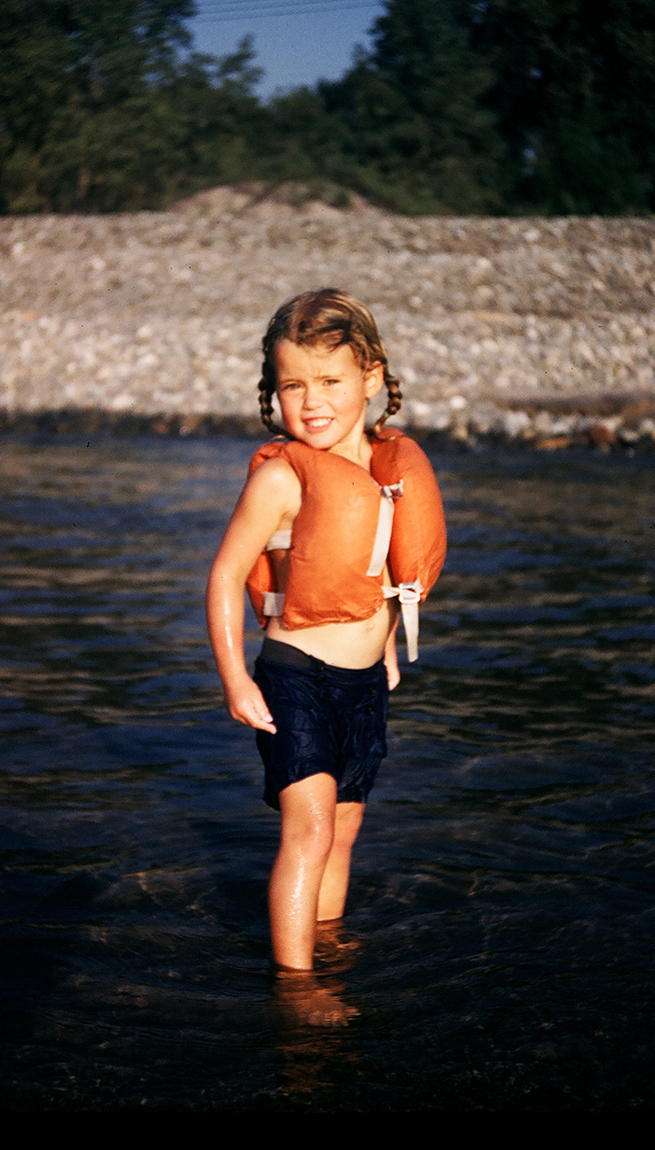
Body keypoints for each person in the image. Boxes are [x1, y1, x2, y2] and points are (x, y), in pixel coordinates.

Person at [207, 289, 446, 975]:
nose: (311, 401)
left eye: (331, 381)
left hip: (365, 680)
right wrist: (235, 678)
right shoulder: (283, 480)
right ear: (272, 391)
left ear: (371, 378)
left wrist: (391, 644)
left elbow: (383, 566)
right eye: (292, 385)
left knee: (344, 830)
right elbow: (225, 577)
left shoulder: (392, 470)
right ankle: (296, 984)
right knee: (308, 830)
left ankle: (327, 947)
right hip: (294, 676)